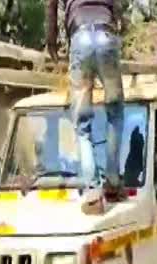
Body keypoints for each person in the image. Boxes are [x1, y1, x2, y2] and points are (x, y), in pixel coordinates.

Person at [47, 0, 125, 199]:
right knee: (115, 113)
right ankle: (113, 180)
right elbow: (117, 6)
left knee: (82, 124)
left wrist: (51, 42)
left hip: (80, 37)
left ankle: (92, 189)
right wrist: (119, 28)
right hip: (106, 34)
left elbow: (51, 7)